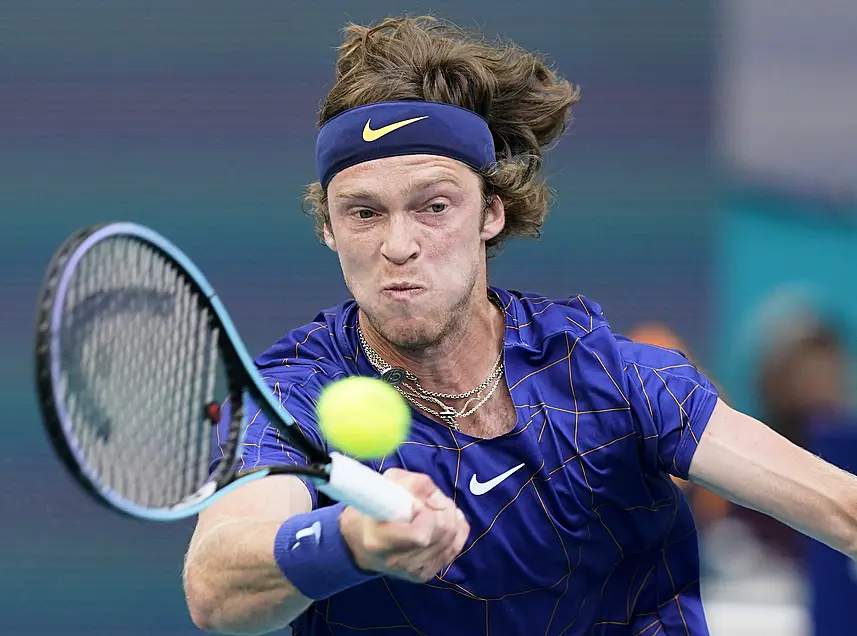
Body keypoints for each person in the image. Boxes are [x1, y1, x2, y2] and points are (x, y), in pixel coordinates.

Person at [182, 16, 857, 635]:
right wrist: (351, 540)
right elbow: (214, 586)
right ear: (328, 229)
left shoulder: (607, 376)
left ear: (490, 214)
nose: (397, 244)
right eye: (363, 213)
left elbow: (842, 510)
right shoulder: (291, 396)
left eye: (433, 206)